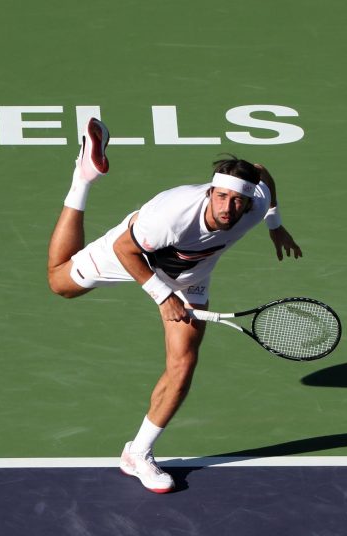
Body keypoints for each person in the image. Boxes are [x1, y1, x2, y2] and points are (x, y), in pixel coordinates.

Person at [47, 118, 302, 493]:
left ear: (249, 201)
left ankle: (138, 454)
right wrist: (161, 295)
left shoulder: (255, 203)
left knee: (183, 365)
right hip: (132, 253)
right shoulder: (171, 216)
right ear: (211, 192)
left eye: (237, 200)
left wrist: (274, 223)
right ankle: (83, 177)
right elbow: (124, 249)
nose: (228, 207)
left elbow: (261, 171)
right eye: (221, 197)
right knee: (60, 283)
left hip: (190, 278)